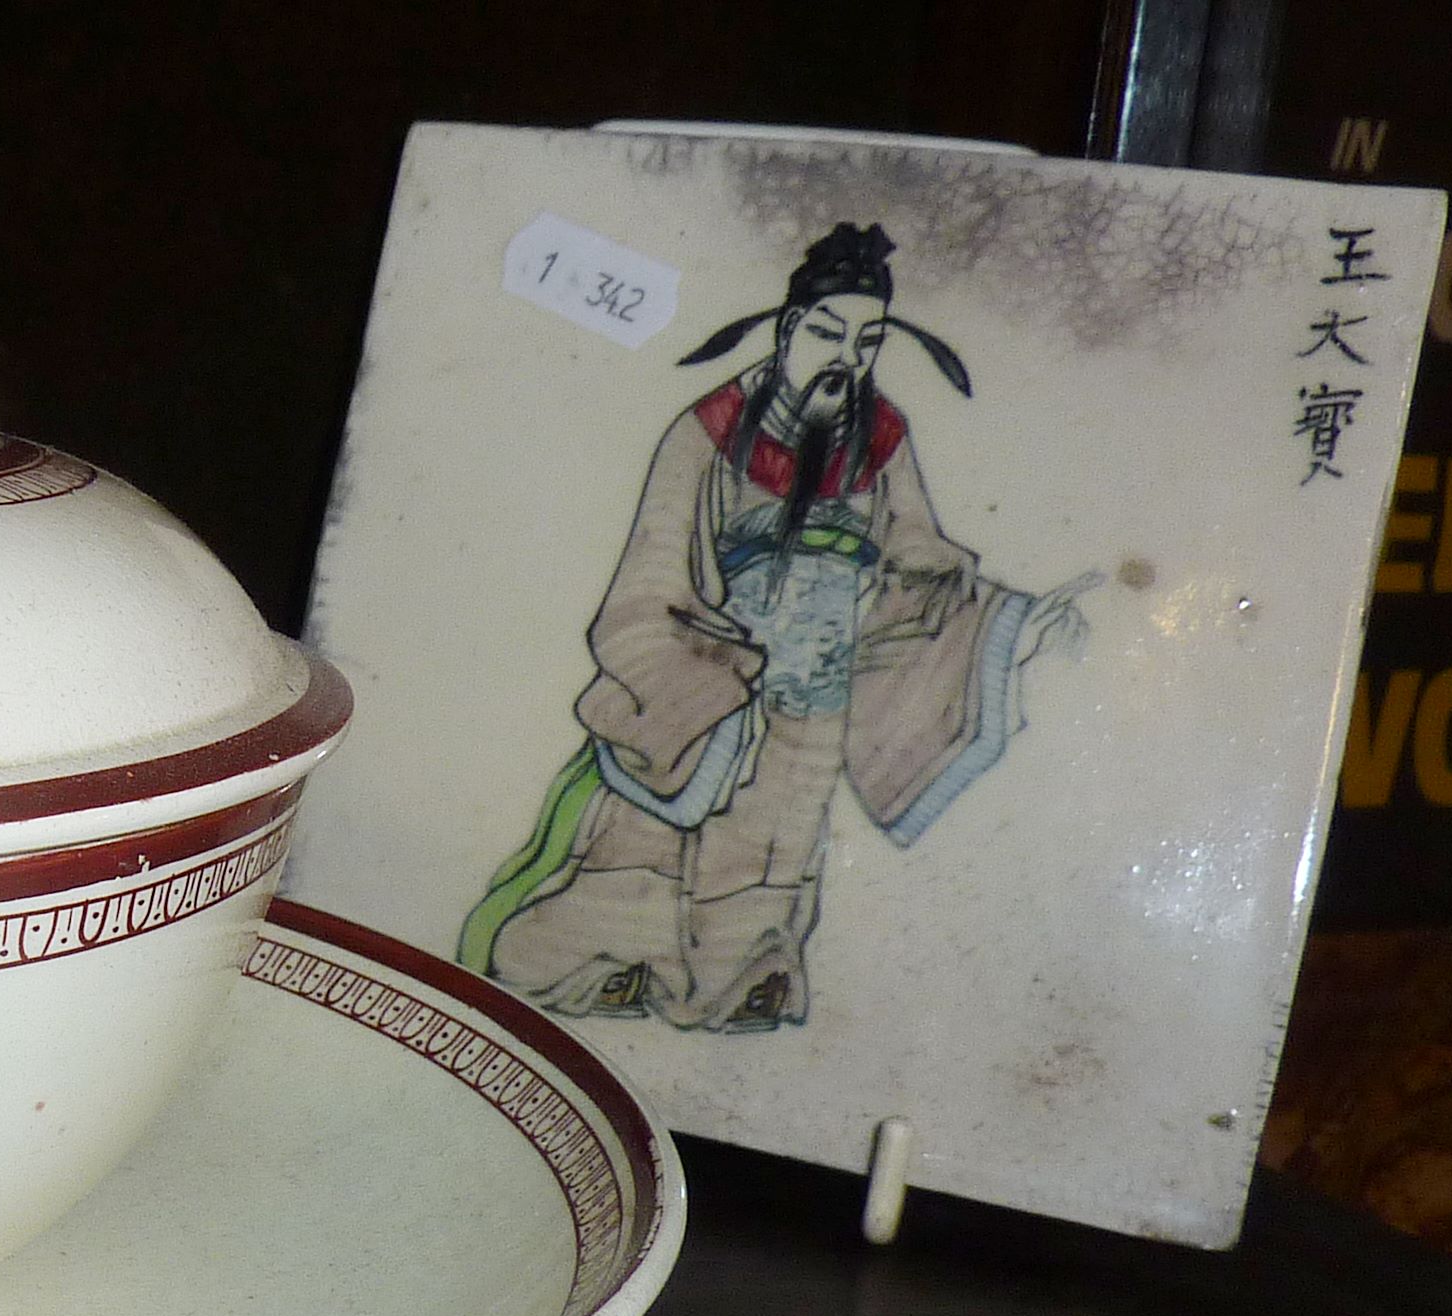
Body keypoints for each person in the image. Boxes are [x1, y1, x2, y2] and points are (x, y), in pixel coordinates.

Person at [461, 222, 1088, 1031]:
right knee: (653, 836)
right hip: (718, 671)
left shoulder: (881, 437)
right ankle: (606, 963)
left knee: (780, 839)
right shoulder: (709, 431)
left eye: (865, 343)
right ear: (790, 329)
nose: (845, 358)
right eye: (827, 334)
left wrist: (1004, 620)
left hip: (819, 675)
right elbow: (653, 570)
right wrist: (701, 667)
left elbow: (918, 554)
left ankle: (737, 980)